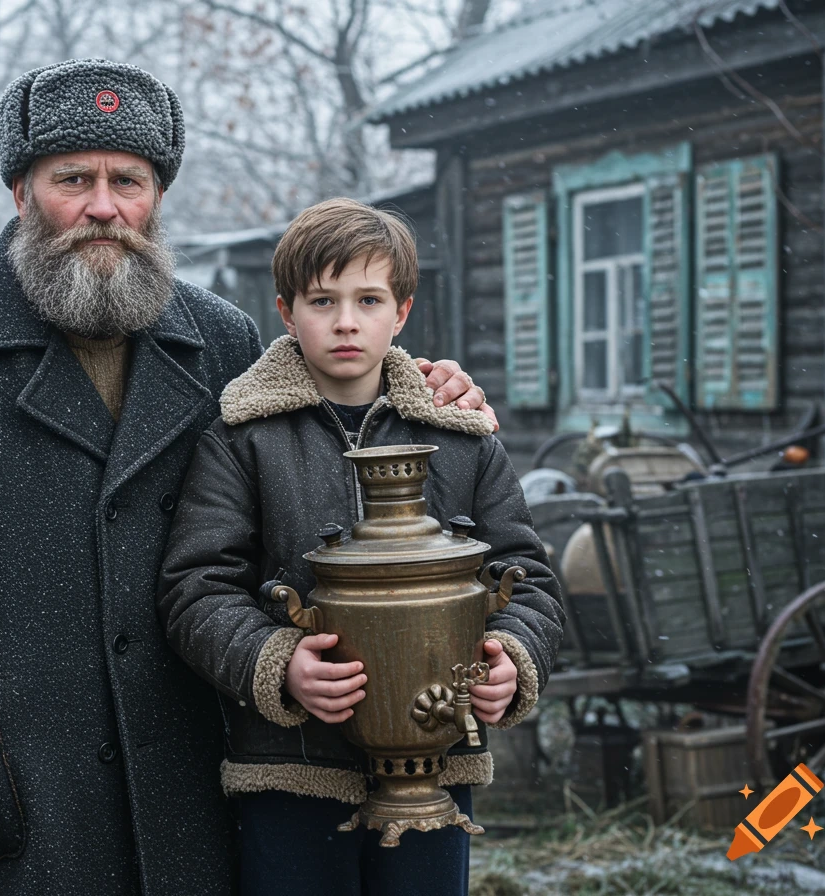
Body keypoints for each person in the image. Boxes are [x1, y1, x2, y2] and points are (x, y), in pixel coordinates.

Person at [0, 61, 492, 896]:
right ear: (20, 191)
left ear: (157, 197)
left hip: (191, 801)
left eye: (127, 181)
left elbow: (323, 443)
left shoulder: (218, 340)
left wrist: (422, 393)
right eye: (73, 178)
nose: (104, 206)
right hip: (19, 810)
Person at [157, 198, 564, 896]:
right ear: (287, 312)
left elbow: (525, 578)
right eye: (323, 300)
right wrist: (275, 663)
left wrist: (512, 660)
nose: (346, 321)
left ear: (401, 311)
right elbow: (195, 587)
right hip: (291, 766)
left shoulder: (460, 435)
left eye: (368, 299)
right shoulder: (242, 439)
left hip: (435, 756)